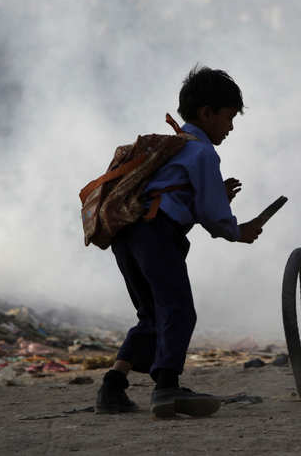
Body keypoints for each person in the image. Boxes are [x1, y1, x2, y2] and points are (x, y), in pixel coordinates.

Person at [96, 66, 264, 418]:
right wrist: (237, 231)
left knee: (152, 314)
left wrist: (217, 201)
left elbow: (184, 197)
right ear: (207, 113)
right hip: (155, 235)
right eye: (229, 117)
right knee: (178, 310)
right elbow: (212, 214)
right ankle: (167, 388)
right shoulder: (202, 153)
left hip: (126, 234)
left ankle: (112, 387)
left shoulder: (172, 147)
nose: (231, 127)